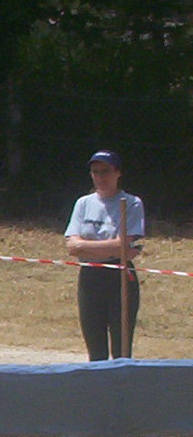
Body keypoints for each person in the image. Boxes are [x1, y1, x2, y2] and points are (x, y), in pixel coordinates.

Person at [64, 149, 145, 360]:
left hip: (119, 276)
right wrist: (116, 247)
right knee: (95, 347)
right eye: (95, 172)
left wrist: (87, 245)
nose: (100, 177)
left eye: (105, 171)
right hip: (90, 275)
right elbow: (72, 247)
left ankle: (122, 389)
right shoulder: (84, 203)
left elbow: (124, 243)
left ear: (117, 173)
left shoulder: (132, 203)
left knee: (122, 348)